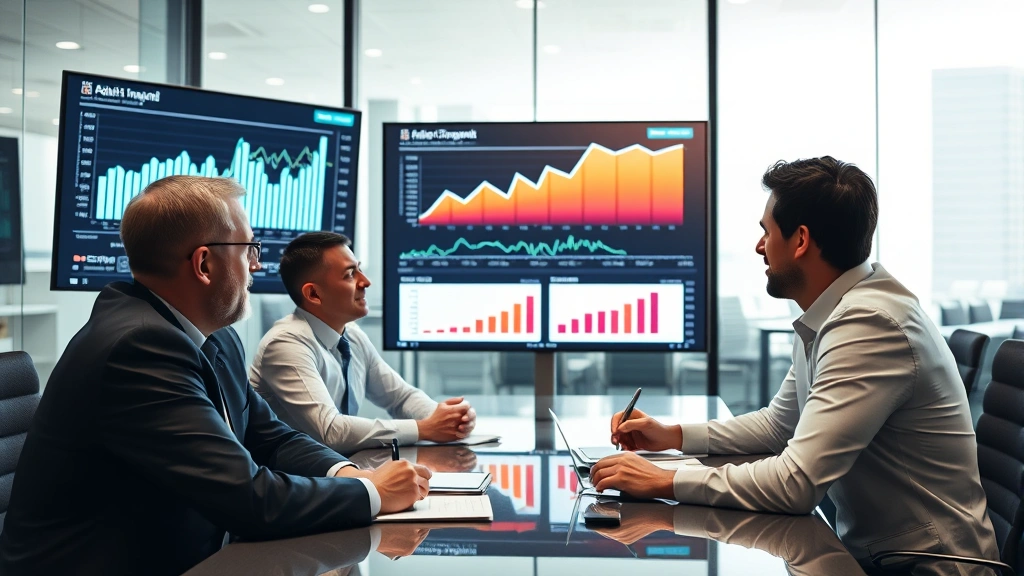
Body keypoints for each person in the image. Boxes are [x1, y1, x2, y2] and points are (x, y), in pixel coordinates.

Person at [0, 176, 430, 576]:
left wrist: (348, 474)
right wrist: (374, 494)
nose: (256, 267)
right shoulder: (139, 348)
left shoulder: (212, 338)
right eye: (249, 251)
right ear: (205, 264)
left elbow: (270, 437)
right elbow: (250, 499)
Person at [590, 157, 998, 572]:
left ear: (800, 240)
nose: (759, 246)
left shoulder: (869, 325)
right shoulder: (837, 313)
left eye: (766, 231)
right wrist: (671, 435)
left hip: (928, 565)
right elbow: (777, 426)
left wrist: (664, 481)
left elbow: (795, 484)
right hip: (883, 558)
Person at [249, 232, 476, 455]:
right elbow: (331, 431)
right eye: (350, 275)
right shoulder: (285, 344)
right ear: (314, 294)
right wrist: (425, 428)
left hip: (337, 474)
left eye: (359, 269)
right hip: (293, 482)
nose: (365, 281)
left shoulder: (352, 336)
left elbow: (400, 397)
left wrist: (446, 418)